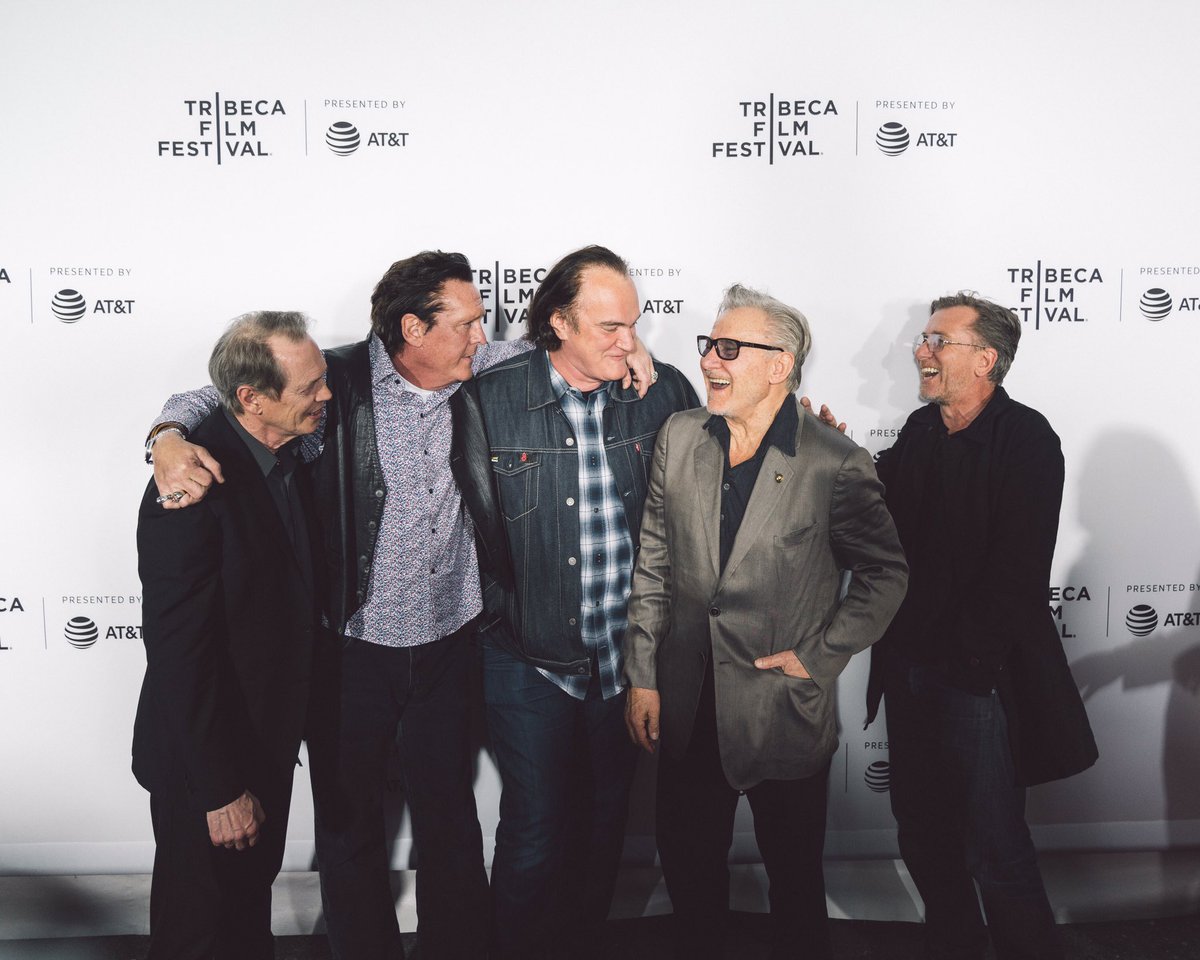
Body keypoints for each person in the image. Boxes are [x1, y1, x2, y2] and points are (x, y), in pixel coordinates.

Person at [144, 251, 655, 959]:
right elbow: (223, 396)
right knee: (349, 828)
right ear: (414, 329)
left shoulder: (480, 369)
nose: (484, 336)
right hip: (350, 648)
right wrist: (166, 435)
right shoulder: (335, 382)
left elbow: (573, 349)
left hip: (451, 644)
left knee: (450, 821)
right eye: (467, 323)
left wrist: (629, 346)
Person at [621, 284, 908, 960]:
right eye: (708, 346)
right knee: (690, 878)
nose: (708, 362)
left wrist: (819, 656)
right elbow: (654, 565)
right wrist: (643, 675)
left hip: (781, 707)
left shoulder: (834, 461)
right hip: (688, 703)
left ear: (780, 365)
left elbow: (885, 576)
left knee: (796, 885)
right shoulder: (680, 436)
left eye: (728, 348)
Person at [450, 244, 699, 958]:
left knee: (604, 822)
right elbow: (467, 518)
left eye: (634, 325)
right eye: (610, 327)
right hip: (527, 656)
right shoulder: (489, 395)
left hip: (625, 660)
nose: (628, 341)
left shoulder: (662, 391)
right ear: (558, 323)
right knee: (535, 828)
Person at [864, 293, 1098, 959]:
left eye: (939, 340)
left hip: (974, 680)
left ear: (986, 359)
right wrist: (834, 457)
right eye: (924, 339)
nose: (921, 351)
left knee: (994, 848)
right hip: (908, 670)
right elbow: (876, 505)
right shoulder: (919, 429)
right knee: (922, 835)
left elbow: (1017, 575)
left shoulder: (1026, 439)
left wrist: (966, 667)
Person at [133, 311, 331, 959]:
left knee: (245, 923)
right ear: (253, 398)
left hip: (265, 743)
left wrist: (165, 429)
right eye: (310, 387)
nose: (326, 394)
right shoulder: (189, 484)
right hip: (207, 767)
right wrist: (219, 790)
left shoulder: (289, 448)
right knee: (196, 932)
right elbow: (180, 653)